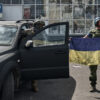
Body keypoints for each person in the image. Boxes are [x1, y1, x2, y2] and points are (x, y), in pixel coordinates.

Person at [84, 17, 100, 92]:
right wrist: (74, 40)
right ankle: (93, 85)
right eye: (99, 21)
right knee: (93, 70)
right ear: (96, 23)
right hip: (94, 53)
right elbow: (85, 38)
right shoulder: (92, 31)